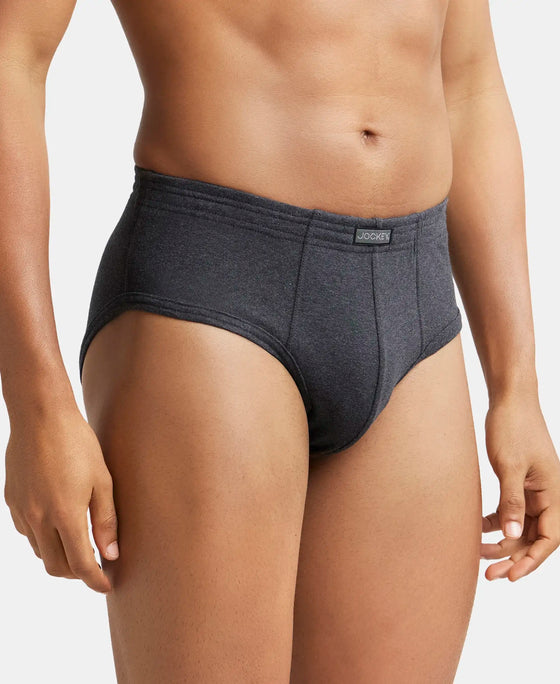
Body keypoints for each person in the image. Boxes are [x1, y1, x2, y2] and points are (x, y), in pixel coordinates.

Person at [1, 0, 559, 681]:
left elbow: (469, 83)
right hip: (215, 287)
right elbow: (10, 61)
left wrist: (517, 386)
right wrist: (36, 407)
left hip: (414, 303)